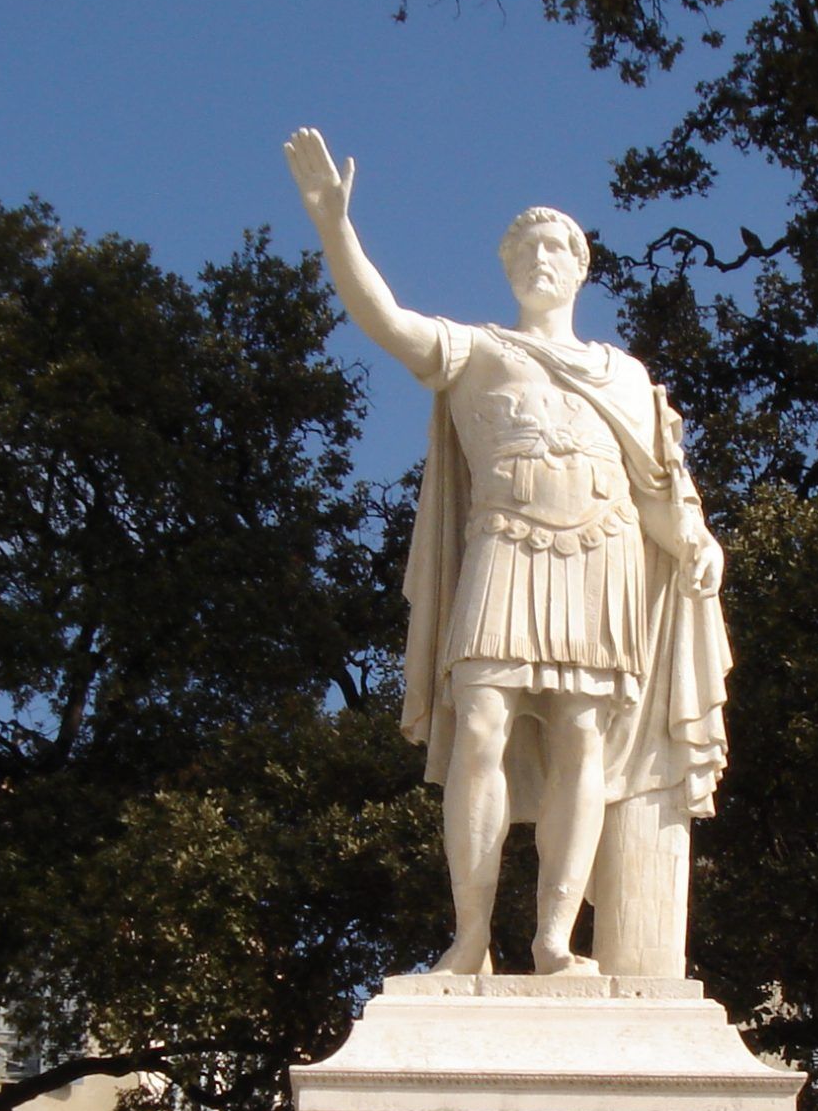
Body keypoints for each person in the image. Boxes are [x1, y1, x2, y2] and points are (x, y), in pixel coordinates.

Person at [283, 127, 731, 976]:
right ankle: (468, 938)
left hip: (601, 559)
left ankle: (555, 939)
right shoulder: (479, 350)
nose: (541, 261)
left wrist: (695, 540)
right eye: (525, 249)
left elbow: (655, 494)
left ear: (580, 267)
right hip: (503, 549)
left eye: (556, 248)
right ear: (507, 266)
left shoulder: (624, 374)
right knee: (478, 725)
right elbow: (385, 320)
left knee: (580, 742)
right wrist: (336, 228)